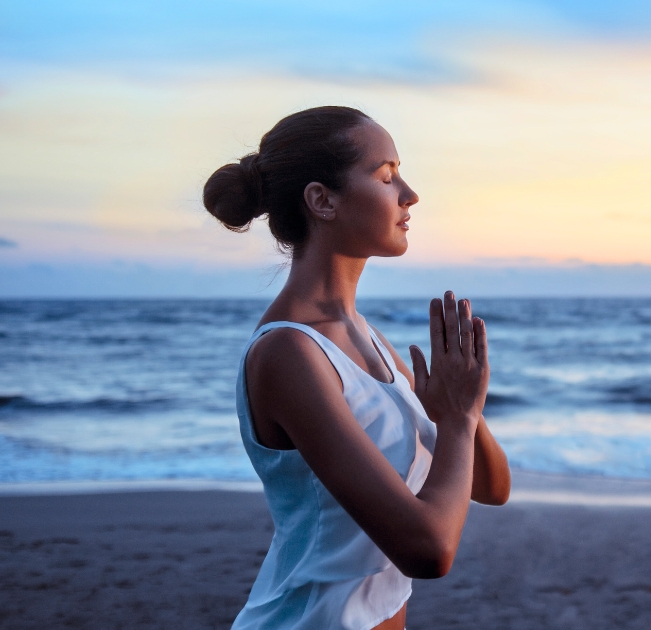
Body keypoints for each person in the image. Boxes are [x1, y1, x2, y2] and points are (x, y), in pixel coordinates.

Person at [203, 106, 510, 630]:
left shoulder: (369, 339)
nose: (409, 194)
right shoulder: (289, 353)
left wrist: (465, 413)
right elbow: (429, 550)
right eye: (387, 176)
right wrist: (455, 421)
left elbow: (490, 487)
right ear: (322, 200)